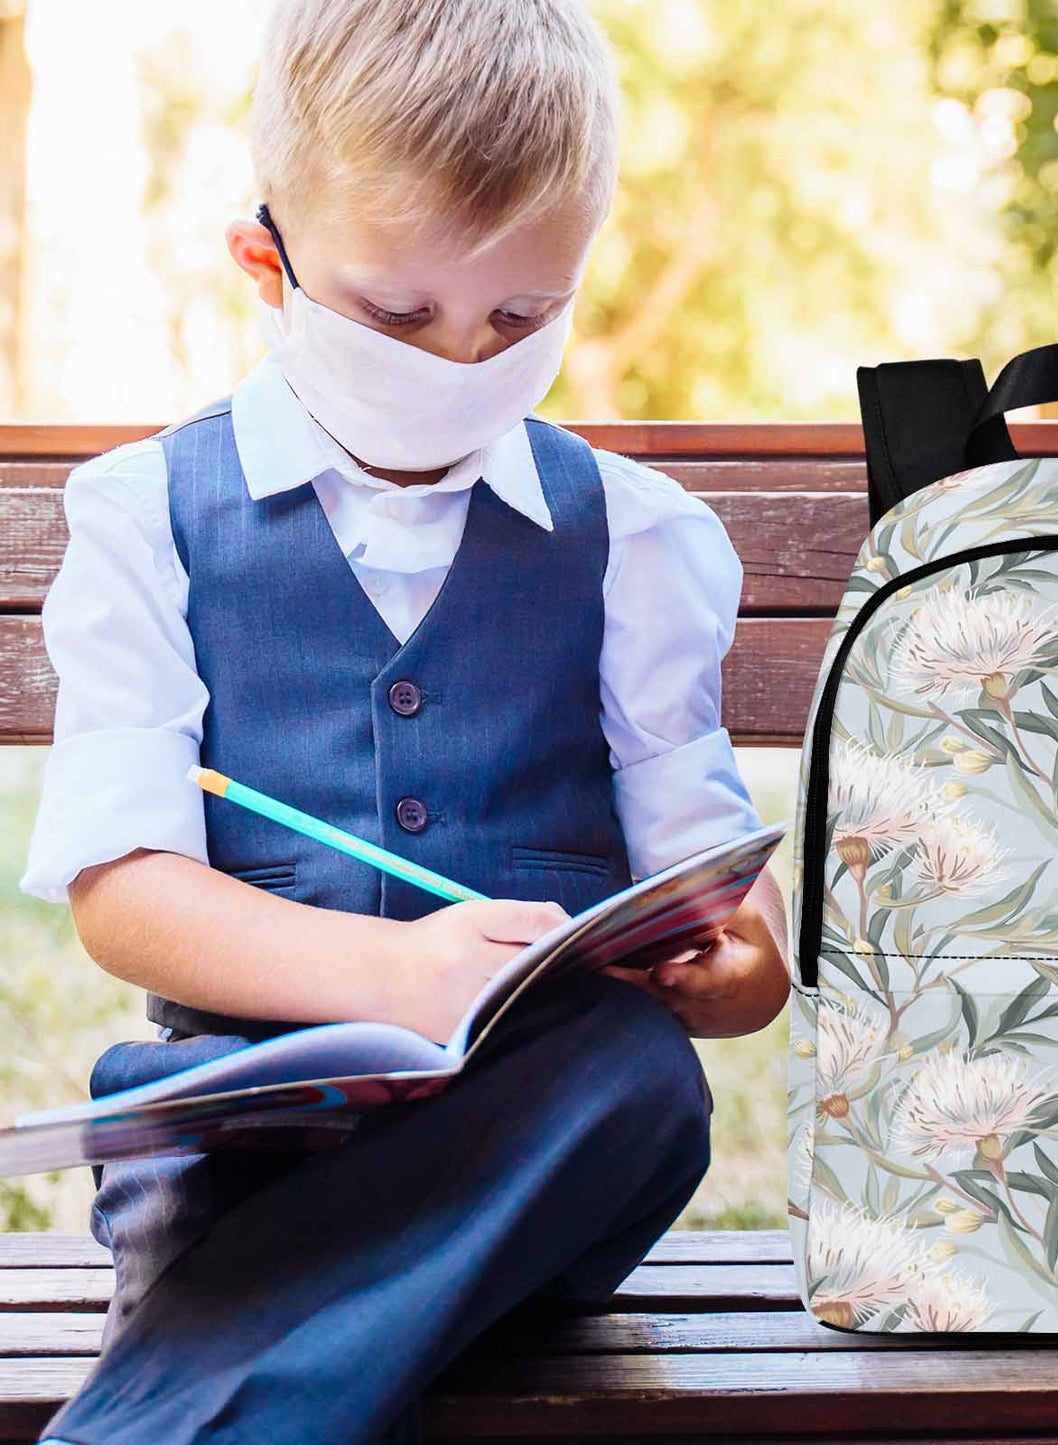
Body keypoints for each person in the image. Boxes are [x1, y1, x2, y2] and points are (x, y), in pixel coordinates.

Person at [19, 1, 789, 1439]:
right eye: (396, 313)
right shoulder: (147, 517)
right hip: (244, 1144)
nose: (459, 356)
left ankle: (192, 1393)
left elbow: (733, 935)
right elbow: (126, 903)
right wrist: (393, 968)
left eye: (519, 317)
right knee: (323, 1198)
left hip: (543, 1142)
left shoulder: (637, 537)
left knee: (640, 1079)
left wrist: (736, 966)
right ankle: (251, 1369)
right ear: (270, 261)